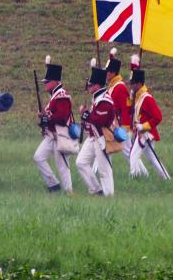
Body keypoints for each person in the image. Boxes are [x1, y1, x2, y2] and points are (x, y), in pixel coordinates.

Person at [33, 56, 76, 193]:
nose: (45, 84)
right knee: (38, 157)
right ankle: (53, 185)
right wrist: (44, 119)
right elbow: (52, 117)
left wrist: (47, 117)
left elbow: (62, 117)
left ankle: (69, 191)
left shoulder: (61, 95)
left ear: (55, 82)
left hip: (61, 134)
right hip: (52, 135)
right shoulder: (55, 95)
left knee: (62, 165)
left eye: (47, 82)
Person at [76, 60, 115, 196]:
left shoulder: (104, 100)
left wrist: (85, 114)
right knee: (81, 162)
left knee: (105, 170)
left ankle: (109, 196)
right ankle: (96, 190)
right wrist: (86, 121)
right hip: (93, 137)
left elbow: (100, 121)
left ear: (97, 86)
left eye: (90, 85)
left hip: (101, 138)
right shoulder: (97, 97)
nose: (88, 87)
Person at [105, 48, 147, 174]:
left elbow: (126, 108)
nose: (106, 75)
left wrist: (126, 128)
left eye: (108, 72)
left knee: (129, 153)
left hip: (121, 126)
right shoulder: (113, 86)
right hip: (113, 125)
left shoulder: (120, 87)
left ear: (113, 73)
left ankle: (143, 174)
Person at [128, 68, 170, 179]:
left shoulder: (147, 98)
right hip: (141, 133)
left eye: (133, 83)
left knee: (133, 156)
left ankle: (135, 180)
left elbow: (158, 117)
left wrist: (143, 126)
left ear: (139, 84)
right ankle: (166, 179)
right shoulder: (137, 96)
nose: (131, 86)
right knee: (153, 160)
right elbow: (130, 110)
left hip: (146, 134)